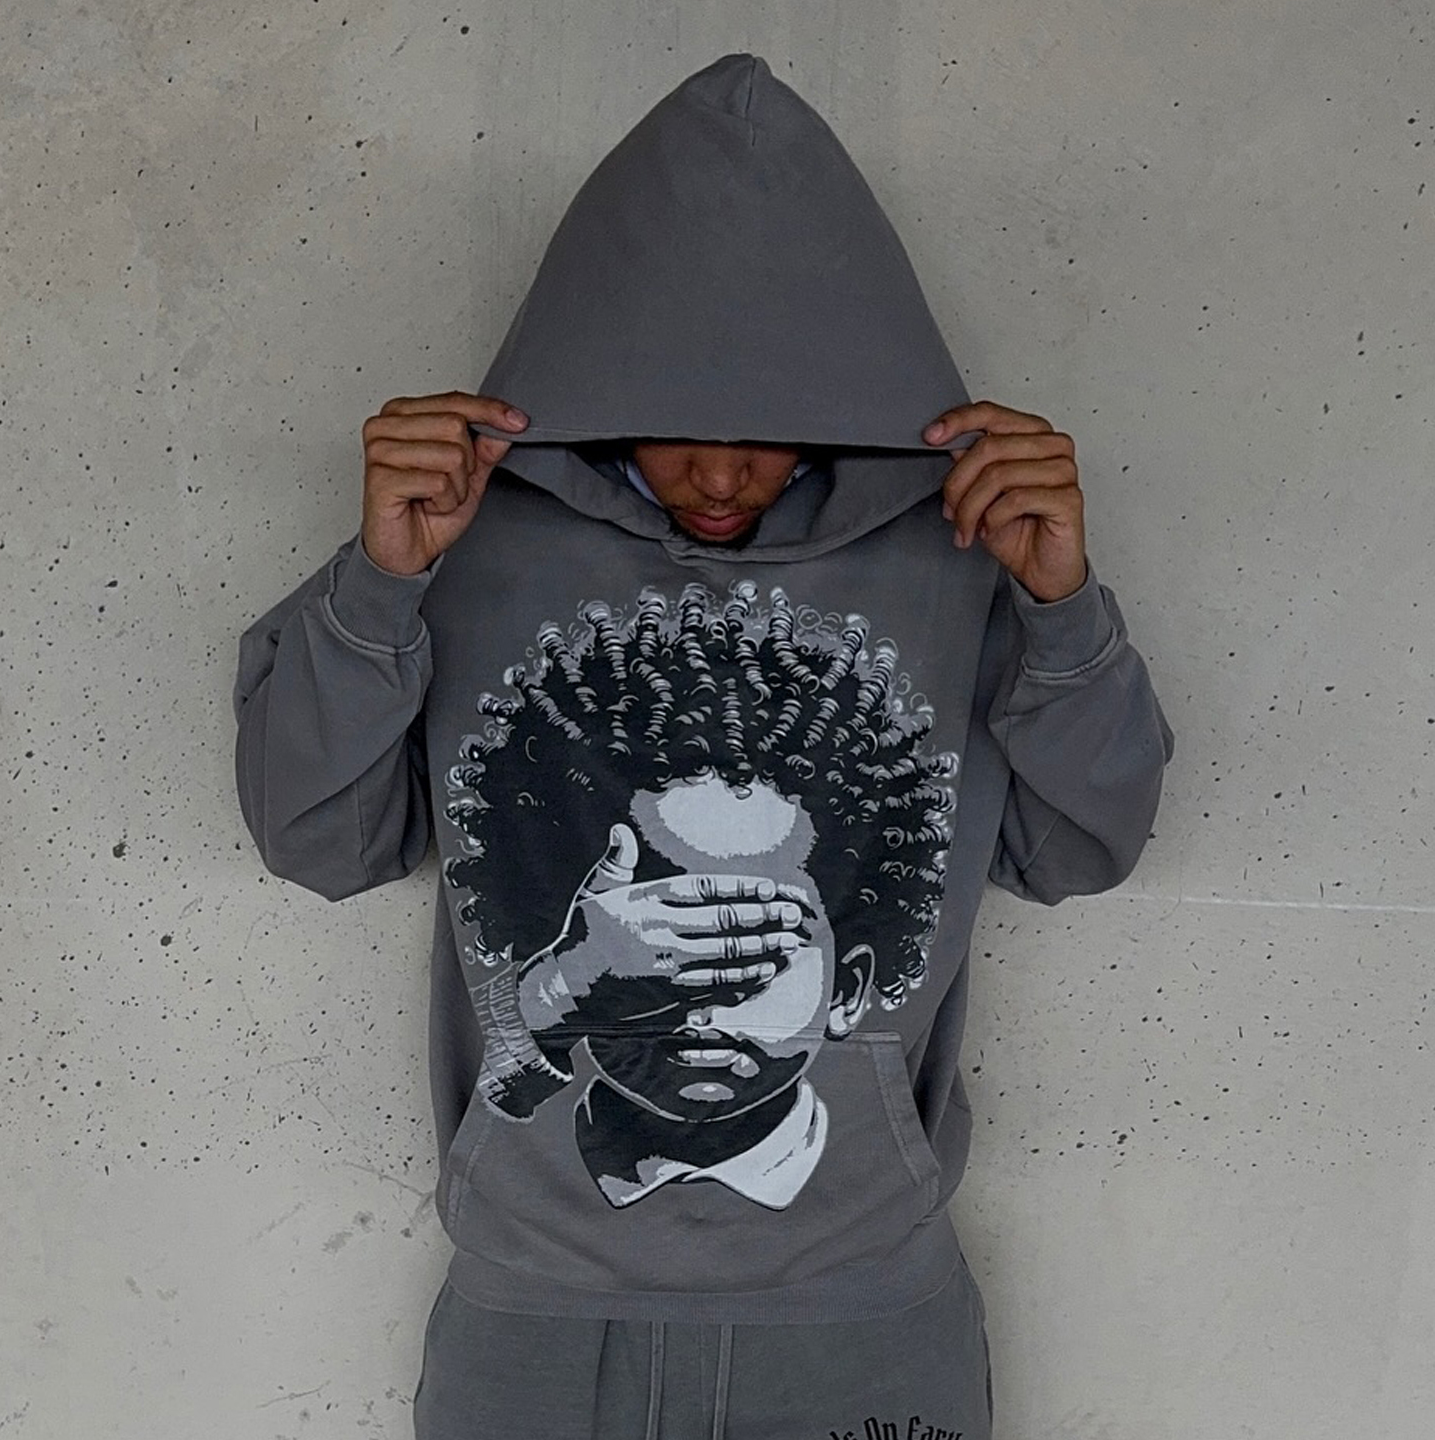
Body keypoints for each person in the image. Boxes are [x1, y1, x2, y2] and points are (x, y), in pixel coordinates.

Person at [232, 51, 1175, 1440]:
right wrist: (380, 587)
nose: (725, 472)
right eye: (677, 416)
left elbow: (1080, 849)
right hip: (533, 1321)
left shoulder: (960, 552)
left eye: (780, 426)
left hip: (867, 1323)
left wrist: (1064, 613)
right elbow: (317, 839)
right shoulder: (465, 544)